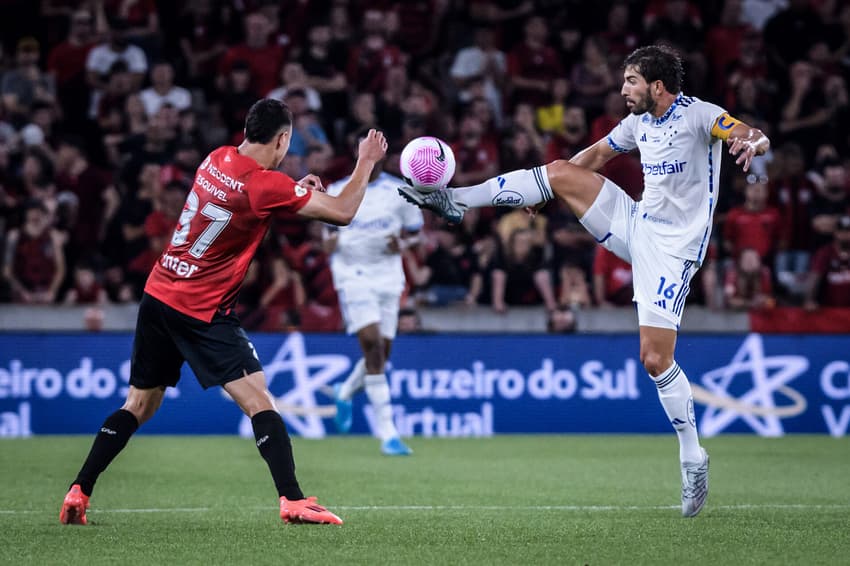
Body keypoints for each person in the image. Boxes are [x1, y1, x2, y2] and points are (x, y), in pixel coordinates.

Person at [399, 45, 770, 518]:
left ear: (656, 85)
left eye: (631, 80)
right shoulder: (638, 124)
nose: (622, 89)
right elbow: (594, 155)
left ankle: (692, 456)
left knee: (655, 359)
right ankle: (455, 200)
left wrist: (752, 143)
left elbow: (743, 131)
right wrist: (552, 188)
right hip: (637, 222)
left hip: (675, 251)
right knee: (558, 170)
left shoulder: (701, 116)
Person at [59, 99, 388, 526]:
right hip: (201, 309)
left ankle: (79, 490)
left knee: (137, 404)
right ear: (284, 139)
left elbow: (252, 198)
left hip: (158, 293)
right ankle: (292, 499)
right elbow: (341, 212)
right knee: (258, 399)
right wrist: (365, 162)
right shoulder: (267, 185)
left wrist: (296, 189)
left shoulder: (216, 159)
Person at [324, 134, 424, 456]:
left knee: (382, 353)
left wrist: (403, 245)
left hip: (388, 275)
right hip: (353, 276)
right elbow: (327, 238)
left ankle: (345, 390)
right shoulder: (338, 187)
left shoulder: (400, 191)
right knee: (372, 346)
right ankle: (388, 435)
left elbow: (416, 232)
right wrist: (328, 243)